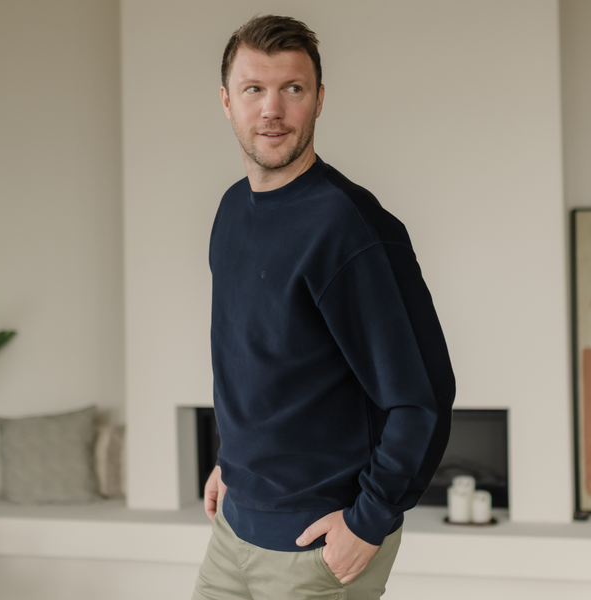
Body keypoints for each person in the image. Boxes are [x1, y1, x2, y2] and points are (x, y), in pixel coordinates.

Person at [192, 15, 455, 600]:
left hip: (315, 548)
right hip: (234, 528)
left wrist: (369, 520)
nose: (272, 110)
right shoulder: (232, 211)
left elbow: (423, 396)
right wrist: (232, 462)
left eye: (293, 88)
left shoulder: (349, 227)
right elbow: (253, 360)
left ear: (318, 99)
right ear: (227, 101)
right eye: (253, 89)